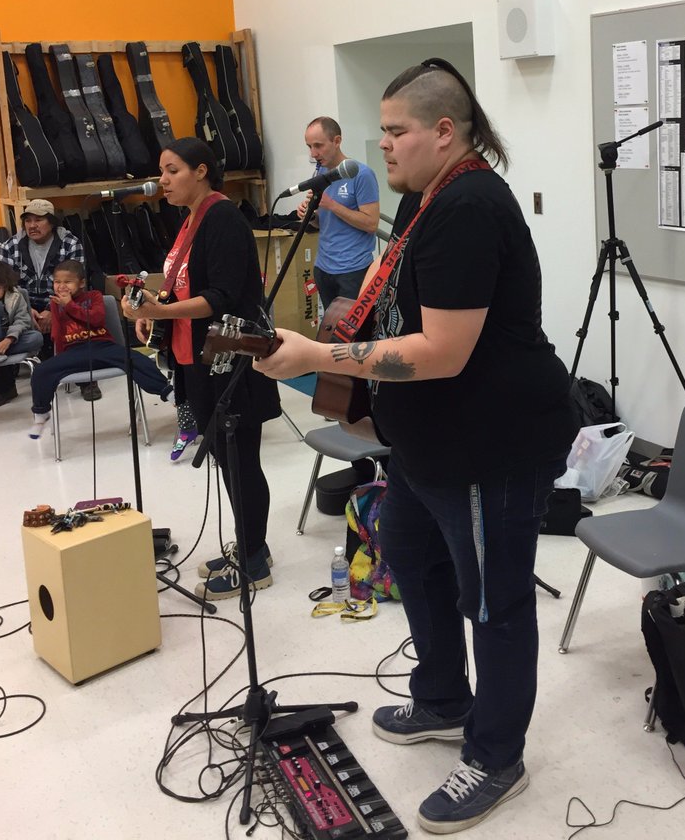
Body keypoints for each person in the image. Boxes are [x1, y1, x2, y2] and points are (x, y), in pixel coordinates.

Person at [254, 59, 576, 834]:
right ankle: (441, 699)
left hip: (488, 445)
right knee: (408, 550)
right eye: (382, 130)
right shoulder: (431, 201)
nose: (383, 146)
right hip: (431, 445)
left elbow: (444, 351)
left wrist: (320, 359)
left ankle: (496, 755)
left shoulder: (466, 206)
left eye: (396, 131)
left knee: (494, 603)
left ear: (444, 131)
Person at [121, 137, 281, 600]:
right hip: (198, 359)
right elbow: (185, 286)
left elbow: (224, 295)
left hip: (229, 361)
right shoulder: (191, 219)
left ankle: (253, 562)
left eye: (172, 170)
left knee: (240, 461)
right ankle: (254, 546)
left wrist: (165, 311)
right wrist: (156, 307)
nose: (163, 181)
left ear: (202, 170)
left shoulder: (223, 217)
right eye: (162, 171)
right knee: (225, 459)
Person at [28, 260, 172, 437]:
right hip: (74, 351)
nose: (61, 286)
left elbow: (95, 319)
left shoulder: (94, 296)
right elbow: (57, 335)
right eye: (57, 282)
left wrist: (69, 306)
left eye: (67, 282)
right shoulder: (54, 304)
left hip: (102, 345)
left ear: (81, 283)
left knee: (136, 359)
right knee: (41, 371)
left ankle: (167, 392)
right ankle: (41, 413)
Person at [0, 198, 101, 403]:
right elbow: (5, 287)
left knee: (77, 310)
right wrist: (26, 311)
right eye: (28, 220)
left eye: (38, 220)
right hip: (22, 303)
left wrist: (51, 309)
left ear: (52, 222)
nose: (32, 225)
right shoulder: (11, 246)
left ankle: (86, 379)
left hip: (60, 300)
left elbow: (75, 284)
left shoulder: (70, 244)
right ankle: (4, 386)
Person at [299, 116, 380, 308]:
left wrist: (332, 204)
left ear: (337, 141)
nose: (313, 154)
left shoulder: (362, 174)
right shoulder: (320, 174)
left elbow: (371, 224)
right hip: (324, 267)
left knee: (352, 332)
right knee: (331, 331)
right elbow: (322, 223)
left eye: (318, 145)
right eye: (309, 146)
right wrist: (310, 215)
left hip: (353, 270)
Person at [0, 259, 44, 408]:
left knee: (35, 337)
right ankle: (2, 386)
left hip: (7, 341)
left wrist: (8, 339)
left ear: (5, 286)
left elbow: (23, 320)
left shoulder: (15, 295)